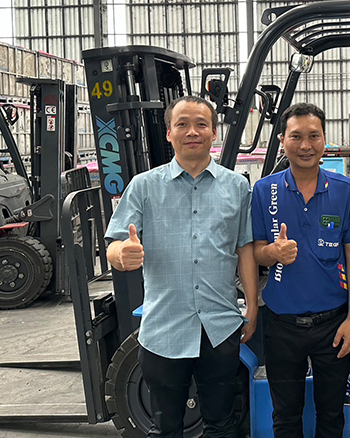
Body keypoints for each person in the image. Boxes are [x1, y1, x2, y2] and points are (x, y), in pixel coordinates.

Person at [105, 95, 258, 438]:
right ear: (169, 133)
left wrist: (252, 306)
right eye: (182, 124)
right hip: (164, 329)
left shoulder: (237, 187)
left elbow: (245, 249)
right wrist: (121, 254)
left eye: (201, 124)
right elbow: (115, 244)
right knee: (166, 426)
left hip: (219, 326)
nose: (192, 132)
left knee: (222, 424)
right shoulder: (144, 186)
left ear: (214, 133)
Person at [251, 103, 350, 438]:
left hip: (333, 324)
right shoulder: (264, 191)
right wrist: (272, 252)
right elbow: (255, 252)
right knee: (286, 416)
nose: (305, 145)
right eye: (296, 136)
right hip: (282, 325)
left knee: (331, 414)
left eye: (314, 136)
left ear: (324, 139)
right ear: (282, 140)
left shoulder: (345, 190)